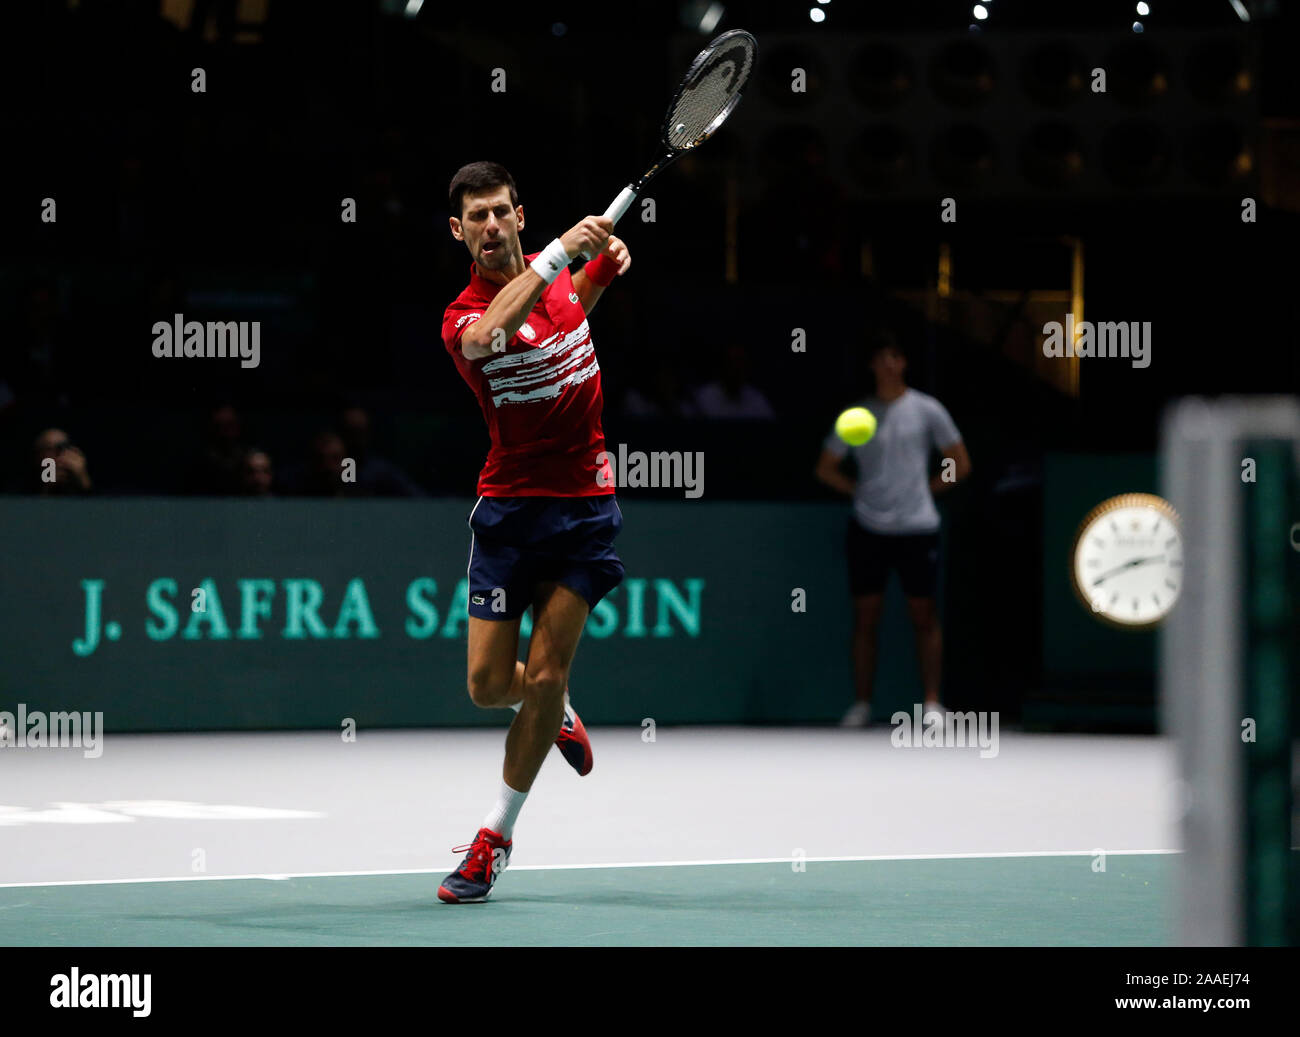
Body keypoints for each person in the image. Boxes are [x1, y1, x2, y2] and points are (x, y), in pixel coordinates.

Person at [437, 161, 631, 903]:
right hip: (510, 515)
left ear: (519, 213)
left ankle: (495, 836)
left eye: (499, 212)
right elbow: (495, 335)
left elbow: (564, 316)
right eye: (474, 218)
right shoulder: (461, 317)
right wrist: (560, 254)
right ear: (459, 232)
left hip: (581, 509)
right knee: (490, 687)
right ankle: (555, 713)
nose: (489, 227)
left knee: (546, 673)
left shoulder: (558, 284)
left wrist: (600, 275)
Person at [814, 331, 971, 727]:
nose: (888, 364)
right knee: (866, 617)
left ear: (903, 363)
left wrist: (929, 490)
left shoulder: (927, 410)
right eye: (881, 357)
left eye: (895, 356)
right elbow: (825, 468)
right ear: (872, 365)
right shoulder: (857, 415)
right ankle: (862, 704)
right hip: (868, 528)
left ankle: (933, 705)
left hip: (918, 527)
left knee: (924, 615)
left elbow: (960, 463)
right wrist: (860, 492)